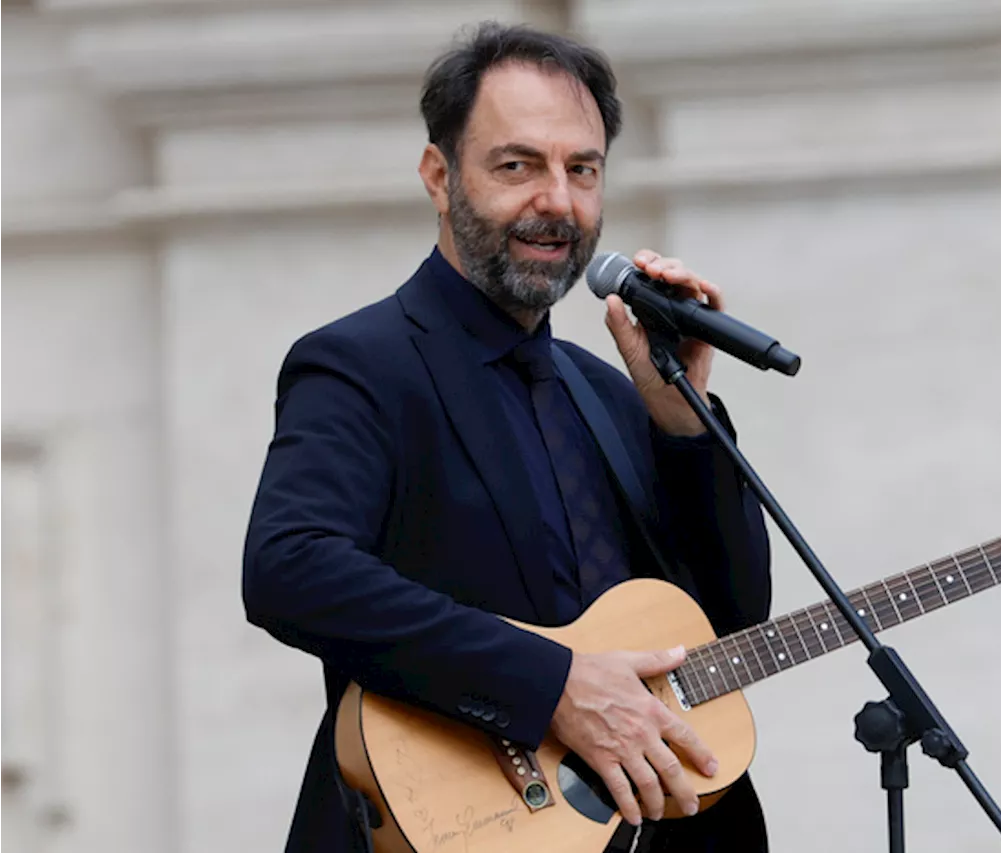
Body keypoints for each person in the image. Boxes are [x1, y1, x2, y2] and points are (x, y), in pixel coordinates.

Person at [242, 21, 771, 853]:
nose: (556, 201)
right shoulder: (362, 363)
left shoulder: (611, 391)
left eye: (582, 170)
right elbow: (290, 566)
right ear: (439, 175)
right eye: (517, 165)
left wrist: (681, 416)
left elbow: (728, 620)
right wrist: (550, 684)